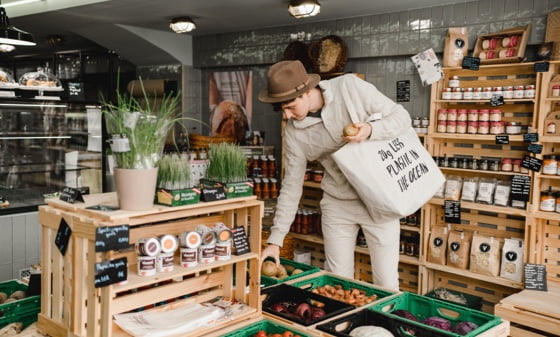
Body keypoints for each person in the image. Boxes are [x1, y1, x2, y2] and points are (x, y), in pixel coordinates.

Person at [258, 60, 411, 291]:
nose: (287, 116)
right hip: (338, 205)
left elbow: (401, 117)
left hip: (380, 202)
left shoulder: (349, 87)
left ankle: (382, 327)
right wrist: (275, 240)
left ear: (307, 91)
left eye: (290, 107)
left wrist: (371, 130)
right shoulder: (294, 135)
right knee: (338, 283)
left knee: (387, 282)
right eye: (283, 110)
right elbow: (291, 187)